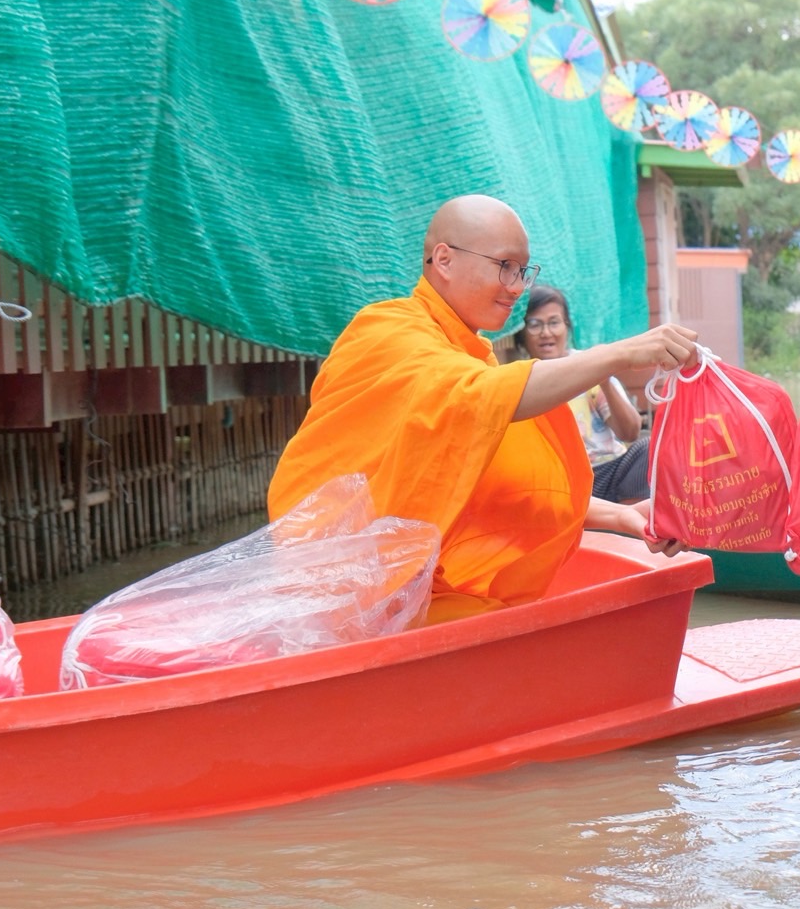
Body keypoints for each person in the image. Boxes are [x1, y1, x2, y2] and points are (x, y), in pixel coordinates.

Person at [268, 195, 698, 626]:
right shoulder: (387, 330)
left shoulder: (466, 354)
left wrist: (622, 515)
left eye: (523, 271)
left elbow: (498, 488)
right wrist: (616, 355)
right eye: (505, 266)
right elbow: (481, 395)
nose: (516, 286)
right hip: (331, 588)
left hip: (397, 581)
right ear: (445, 260)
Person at [516, 285, 651, 503]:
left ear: (567, 326)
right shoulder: (520, 379)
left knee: (648, 448)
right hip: (560, 482)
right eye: (534, 324)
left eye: (554, 322)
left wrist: (604, 377)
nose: (546, 333)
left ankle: (630, 525)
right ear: (522, 334)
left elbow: (630, 432)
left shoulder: (587, 365)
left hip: (608, 470)